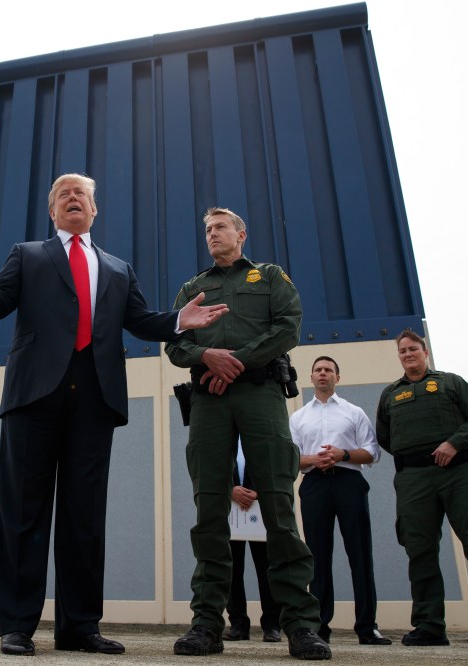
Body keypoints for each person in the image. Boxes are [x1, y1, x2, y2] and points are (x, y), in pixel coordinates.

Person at [0, 173, 228, 657]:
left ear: (94, 210)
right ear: (52, 211)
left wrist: (178, 322)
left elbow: (140, 321)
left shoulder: (117, 268)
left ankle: (80, 626)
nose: (73, 199)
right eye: (63, 194)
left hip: (94, 399)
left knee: (84, 517)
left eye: (81, 194)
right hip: (34, 398)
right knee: (23, 512)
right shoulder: (28, 255)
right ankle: (18, 625)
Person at [165, 207, 330, 661]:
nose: (212, 235)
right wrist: (207, 357)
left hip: (259, 394)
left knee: (278, 503)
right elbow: (174, 344)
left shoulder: (271, 277)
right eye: (206, 230)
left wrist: (234, 362)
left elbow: (287, 328)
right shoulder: (192, 289)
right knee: (209, 508)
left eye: (219, 227)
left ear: (241, 234)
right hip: (209, 401)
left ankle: (300, 624)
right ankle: (207, 624)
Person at [375, 330, 468, 649]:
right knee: (420, 550)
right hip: (414, 478)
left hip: (461, 472)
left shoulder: (451, 383)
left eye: (413, 349)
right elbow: (385, 437)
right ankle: (429, 626)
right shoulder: (389, 395)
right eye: (403, 351)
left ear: (425, 352)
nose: (408, 354)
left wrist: (454, 442)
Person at [290, 356, 390, 646]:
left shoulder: (353, 412)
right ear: (311, 377)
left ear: (337, 377)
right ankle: (319, 628)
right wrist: (313, 459)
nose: (323, 374)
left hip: (349, 482)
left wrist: (342, 454)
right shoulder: (298, 417)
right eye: (318, 370)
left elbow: (372, 452)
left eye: (328, 370)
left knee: (360, 554)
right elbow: (292, 458)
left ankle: (367, 627)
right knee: (317, 557)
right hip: (314, 484)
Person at [223, 441, 282, 644]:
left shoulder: (258, 431)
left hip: (261, 508)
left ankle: (272, 625)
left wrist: (258, 491)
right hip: (230, 509)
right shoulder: (222, 434)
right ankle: (238, 624)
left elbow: (276, 463)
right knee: (232, 568)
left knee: (266, 566)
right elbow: (209, 466)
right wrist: (229, 489)